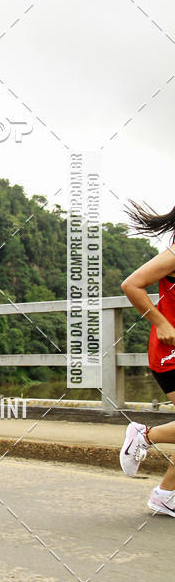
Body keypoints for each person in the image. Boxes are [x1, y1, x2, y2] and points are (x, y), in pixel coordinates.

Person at [119, 201, 175, 517]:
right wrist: (161, 322)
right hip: (170, 352)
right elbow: (132, 285)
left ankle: (166, 495)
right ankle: (144, 436)